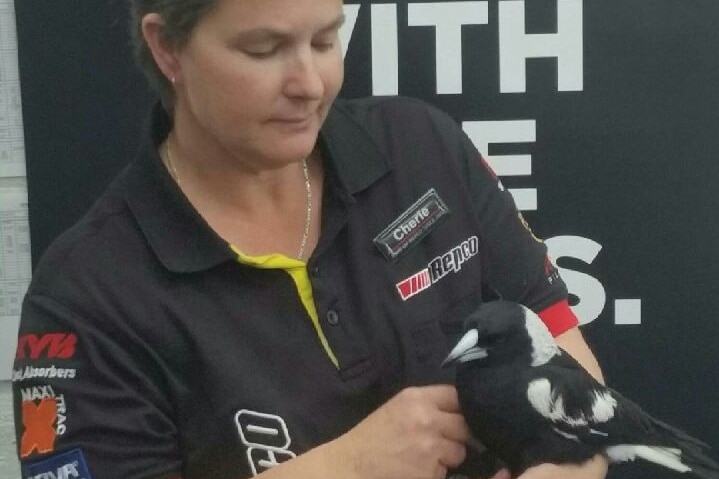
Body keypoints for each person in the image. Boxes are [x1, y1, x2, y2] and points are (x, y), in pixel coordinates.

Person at [12, 0, 609, 478]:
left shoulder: (421, 150)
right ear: (168, 47)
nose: (310, 83)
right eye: (265, 49)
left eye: (326, 40)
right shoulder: (88, 295)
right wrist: (346, 467)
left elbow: (564, 347)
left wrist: (567, 462)